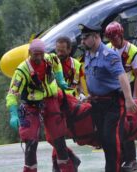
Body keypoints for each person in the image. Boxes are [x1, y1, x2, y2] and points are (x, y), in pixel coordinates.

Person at [6, 39, 79, 172]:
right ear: (29, 53)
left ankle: (68, 168)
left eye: (41, 54)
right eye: (35, 54)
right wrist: (13, 113)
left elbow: (57, 64)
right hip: (31, 106)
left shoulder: (50, 59)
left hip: (51, 101)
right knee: (31, 142)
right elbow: (12, 93)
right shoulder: (22, 71)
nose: (38, 57)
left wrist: (60, 79)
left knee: (59, 140)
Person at [79, 23, 137, 172]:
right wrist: (90, 96)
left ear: (96, 36)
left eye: (86, 38)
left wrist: (129, 98)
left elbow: (121, 75)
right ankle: (116, 164)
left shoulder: (109, 54)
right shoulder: (87, 54)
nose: (82, 41)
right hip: (97, 104)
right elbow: (94, 77)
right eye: (82, 38)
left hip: (113, 104)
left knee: (111, 139)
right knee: (103, 140)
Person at [104, 21, 137, 171]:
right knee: (115, 127)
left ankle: (132, 160)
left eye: (115, 38)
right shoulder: (107, 49)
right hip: (112, 91)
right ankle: (119, 159)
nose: (113, 41)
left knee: (127, 125)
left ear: (121, 35)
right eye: (110, 39)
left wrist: (134, 97)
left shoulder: (133, 51)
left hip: (128, 89)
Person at [51, 36, 83, 172]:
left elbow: (79, 83)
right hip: (55, 104)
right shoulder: (51, 64)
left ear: (69, 50)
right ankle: (61, 162)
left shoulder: (76, 64)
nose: (59, 53)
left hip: (72, 105)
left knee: (57, 136)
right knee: (55, 135)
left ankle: (60, 163)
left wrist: (82, 94)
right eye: (57, 50)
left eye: (62, 51)